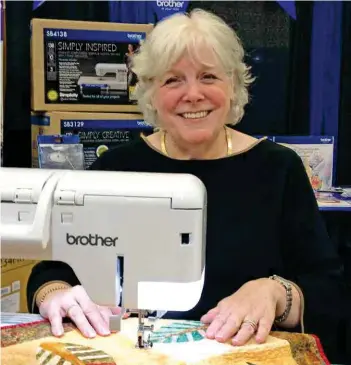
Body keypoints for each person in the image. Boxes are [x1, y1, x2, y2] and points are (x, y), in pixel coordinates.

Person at [26, 9, 347, 361]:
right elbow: (53, 271)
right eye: (173, 80)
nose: (193, 94)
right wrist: (55, 293)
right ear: (150, 94)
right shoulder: (114, 169)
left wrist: (276, 292)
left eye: (208, 76)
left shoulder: (279, 168)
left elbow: (328, 290)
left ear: (234, 86)